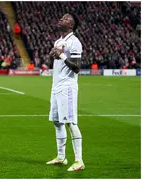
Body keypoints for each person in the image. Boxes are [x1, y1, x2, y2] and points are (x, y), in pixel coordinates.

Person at [46, 13, 84, 171]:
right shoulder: (58, 41)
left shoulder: (75, 42)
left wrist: (60, 54)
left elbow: (77, 68)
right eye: (61, 17)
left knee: (70, 122)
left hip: (67, 87)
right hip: (56, 86)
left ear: (71, 25)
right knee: (57, 121)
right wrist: (52, 56)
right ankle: (61, 157)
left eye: (66, 19)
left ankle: (79, 160)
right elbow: (56, 63)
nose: (61, 19)